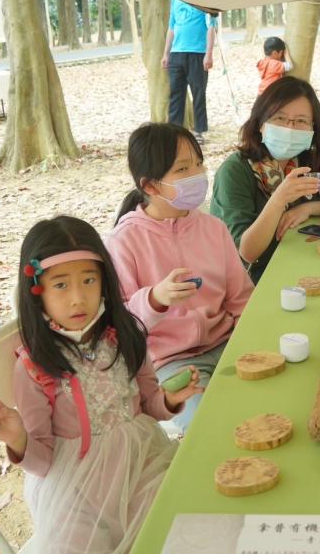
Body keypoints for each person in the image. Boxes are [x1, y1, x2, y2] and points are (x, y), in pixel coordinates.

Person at [0, 216, 203, 552]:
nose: (77, 299)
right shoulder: (34, 366)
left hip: (140, 465)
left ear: (104, 281)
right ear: (36, 292)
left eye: (88, 280)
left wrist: (169, 400)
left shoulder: (124, 336)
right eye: (61, 285)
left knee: (178, 520)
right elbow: (42, 461)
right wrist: (18, 438)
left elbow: (149, 405)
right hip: (76, 491)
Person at [107, 123, 253, 432]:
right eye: (183, 169)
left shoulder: (214, 229)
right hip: (170, 363)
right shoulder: (126, 240)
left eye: (198, 164)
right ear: (150, 186)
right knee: (212, 429)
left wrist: (248, 342)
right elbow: (120, 325)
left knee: (269, 405)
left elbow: (242, 299)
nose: (198, 175)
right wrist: (155, 300)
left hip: (229, 343)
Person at [209, 77, 320, 283]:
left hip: (309, 265)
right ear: (260, 123)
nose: (290, 128)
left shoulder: (311, 159)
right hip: (255, 281)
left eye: (301, 121)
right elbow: (246, 252)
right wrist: (278, 200)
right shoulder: (236, 170)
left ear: (312, 128)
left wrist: (310, 208)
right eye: (279, 118)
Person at [161, 0, 218, 143]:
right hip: (176, 53)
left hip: (198, 54)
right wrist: (166, 54)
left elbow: (212, 27)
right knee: (176, 95)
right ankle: (175, 130)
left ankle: (199, 131)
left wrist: (209, 54)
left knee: (198, 93)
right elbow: (171, 28)